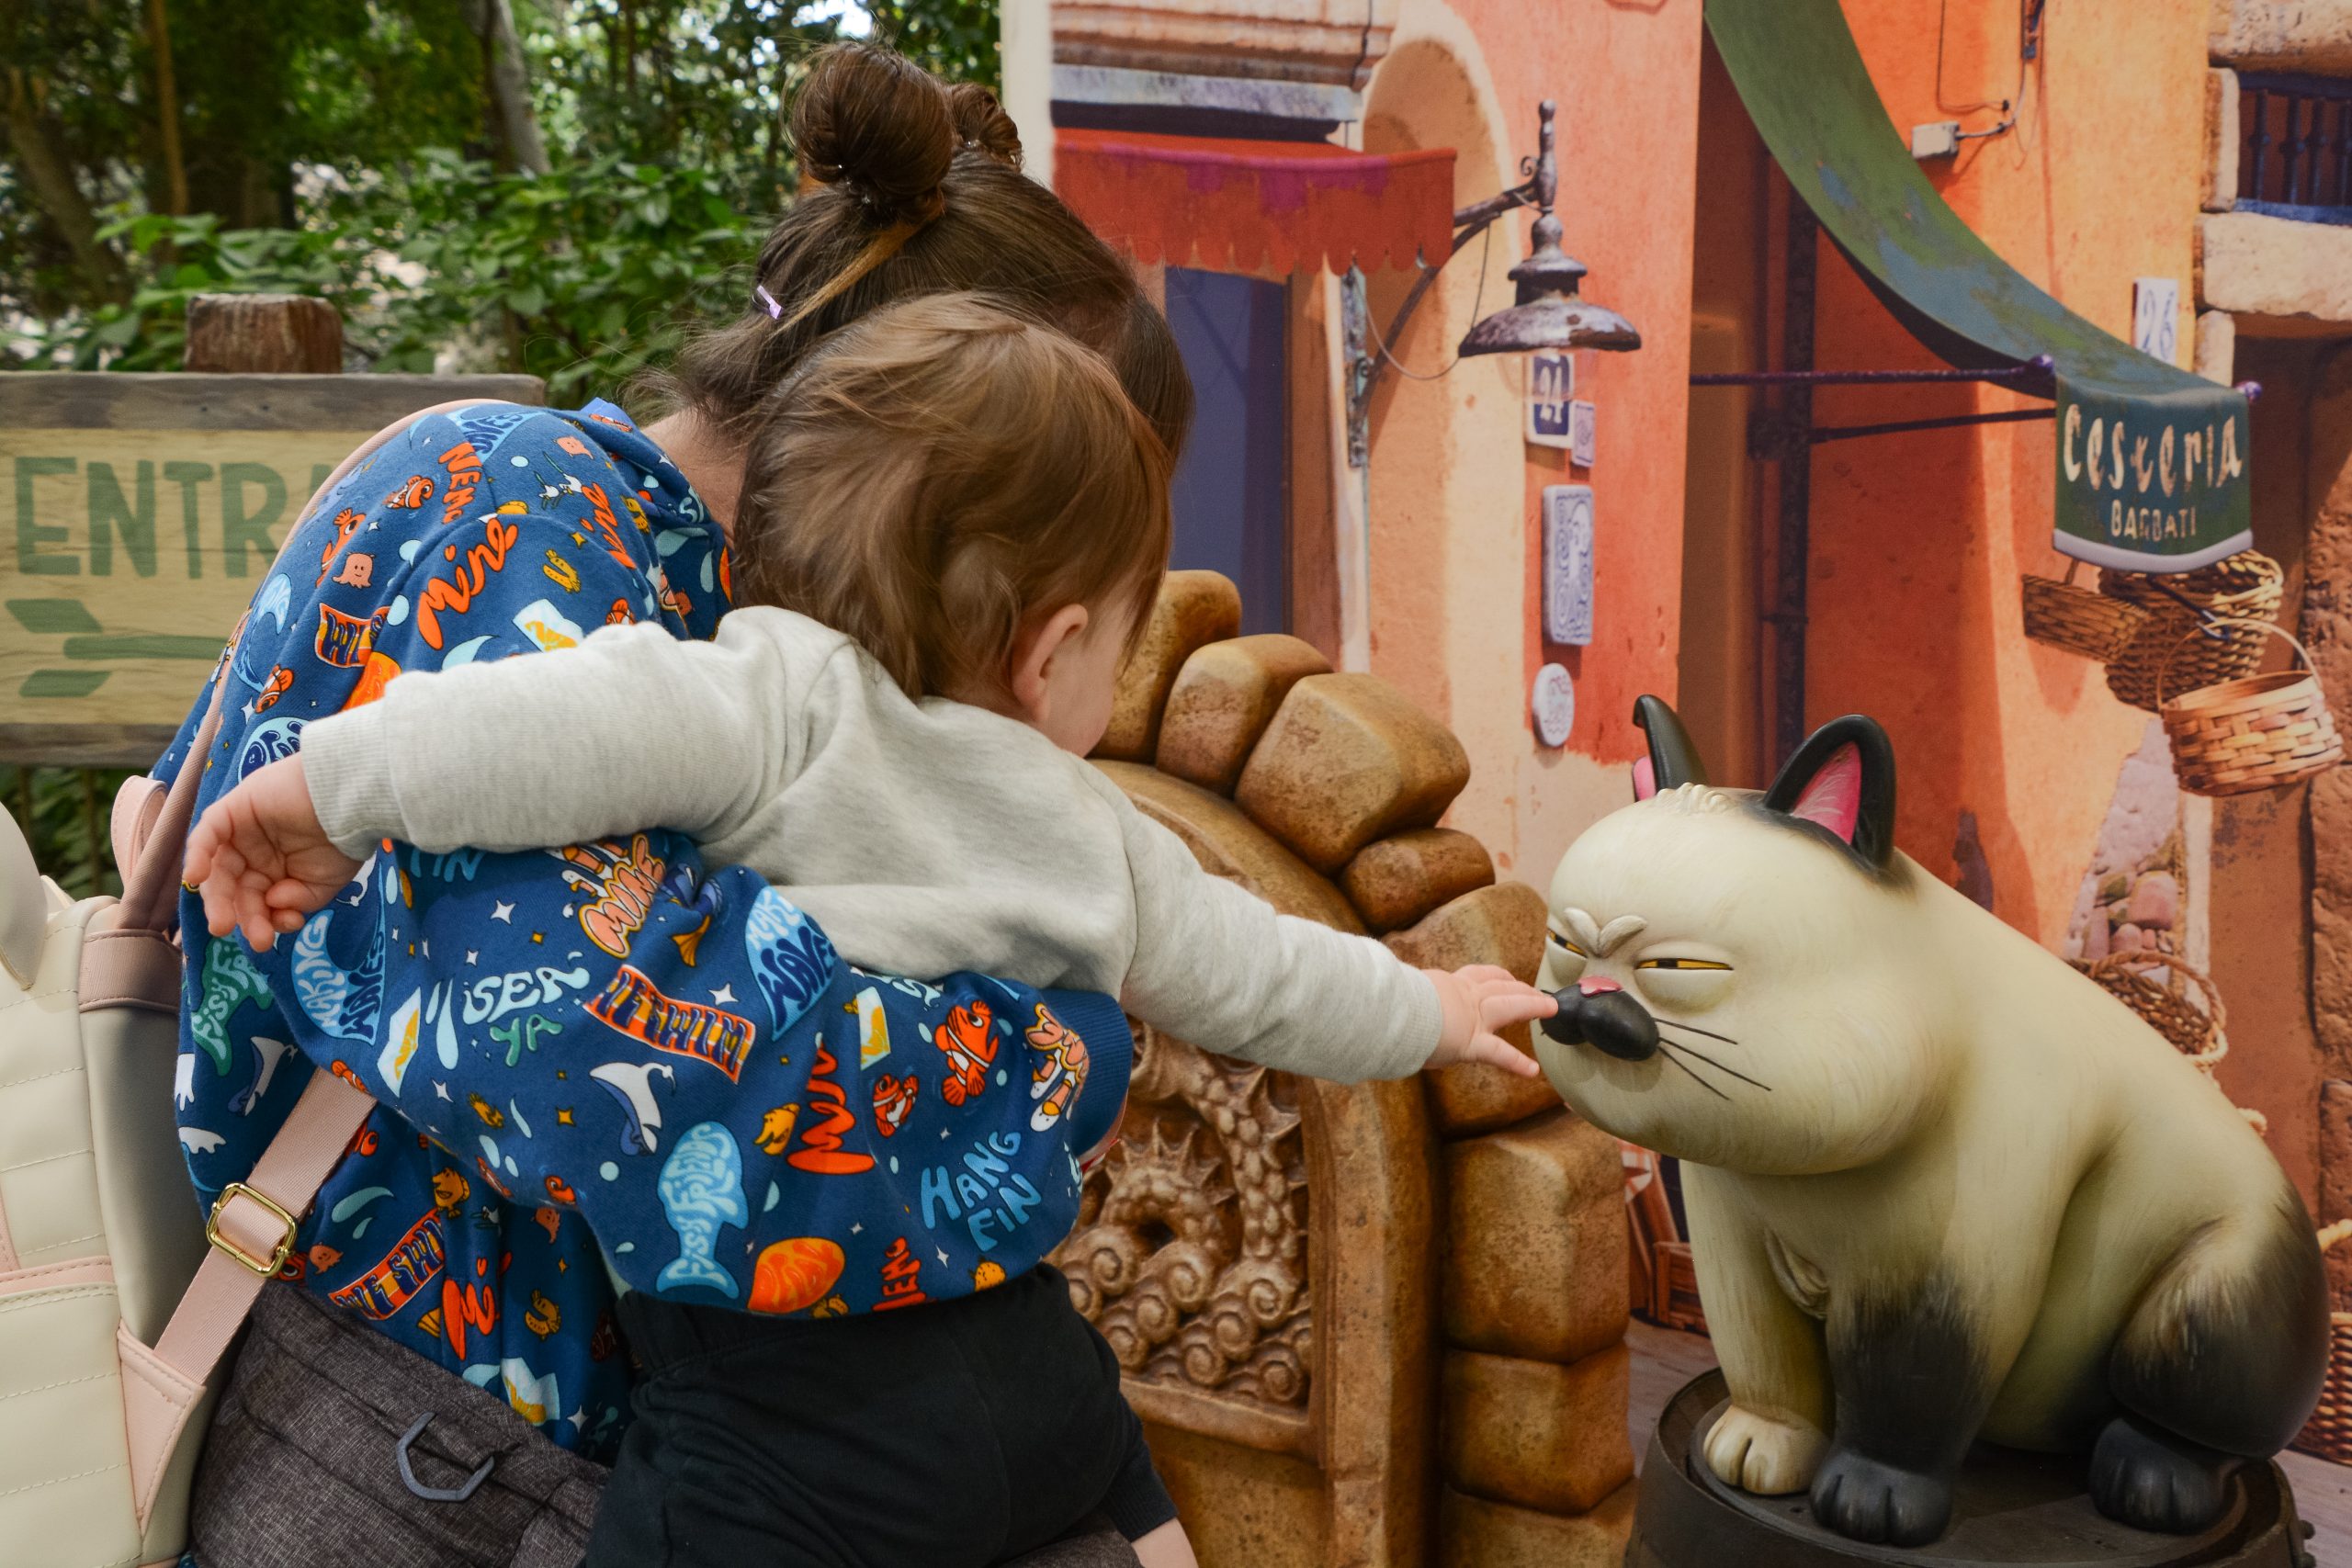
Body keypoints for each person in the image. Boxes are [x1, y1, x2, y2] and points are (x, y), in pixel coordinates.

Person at [190, 292, 1555, 1568]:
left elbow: (537, 730)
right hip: (1044, 1379)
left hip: (786, 1420)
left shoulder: (778, 696)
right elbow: (1263, 972)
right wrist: (1432, 1012)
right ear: (1053, 647)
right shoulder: (1094, 828)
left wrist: (330, 795)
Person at [163, 42, 1199, 1568]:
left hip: (627, 1453)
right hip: (427, 1455)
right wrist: (1068, 1053)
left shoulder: (753, 629)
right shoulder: (521, 511)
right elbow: (634, 1075)